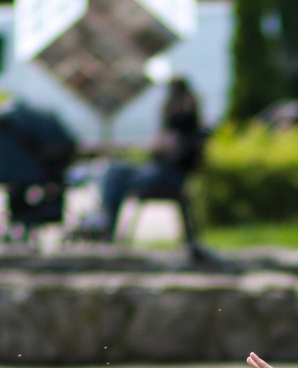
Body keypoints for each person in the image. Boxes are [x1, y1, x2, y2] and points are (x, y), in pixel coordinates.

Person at [79, 77, 206, 243]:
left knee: (118, 179)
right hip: (155, 169)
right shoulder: (171, 121)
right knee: (115, 169)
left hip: (168, 175)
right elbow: (156, 149)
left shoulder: (189, 125)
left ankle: (106, 226)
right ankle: (105, 221)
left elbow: (165, 149)